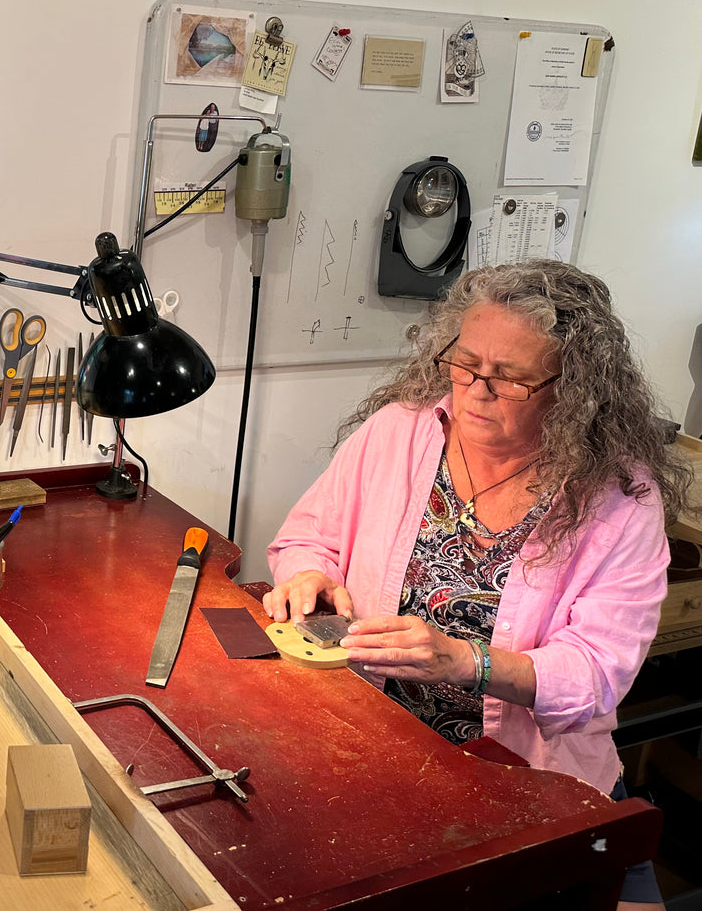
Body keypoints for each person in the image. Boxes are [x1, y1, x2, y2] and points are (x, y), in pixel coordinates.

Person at [263, 260, 689, 911]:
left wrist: (465, 661)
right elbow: (304, 538)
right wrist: (307, 577)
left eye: (510, 377)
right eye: (463, 363)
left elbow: (595, 677)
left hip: (521, 785)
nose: (473, 390)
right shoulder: (399, 433)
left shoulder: (617, 501)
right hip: (370, 749)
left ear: (571, 389)